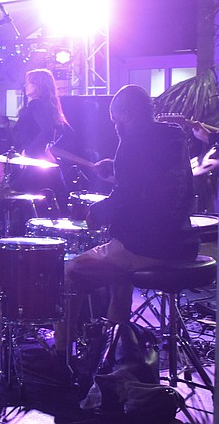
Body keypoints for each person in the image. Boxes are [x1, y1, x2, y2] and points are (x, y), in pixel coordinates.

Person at [55, 85, 196, 354]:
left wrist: (95, 213)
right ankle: (113, 348)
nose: (116, 126)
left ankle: (61, 356)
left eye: (116, 119)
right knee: (120, 276)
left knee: (70, 272)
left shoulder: (133, 140)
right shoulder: (175, 137)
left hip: (147, 248)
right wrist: (118, 172)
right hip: (184, 244)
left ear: (128, 113)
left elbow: (126, 197)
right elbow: (153, 186)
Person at [12, 68, 72, 213]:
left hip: (34, 164)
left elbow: (47, 131)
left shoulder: (36, 105)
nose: (26, 86)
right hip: (42, 164)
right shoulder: (48, 106)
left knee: (15, 203)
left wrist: (28, 151)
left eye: (29, 83)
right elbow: (64, 132)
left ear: (39, 86)